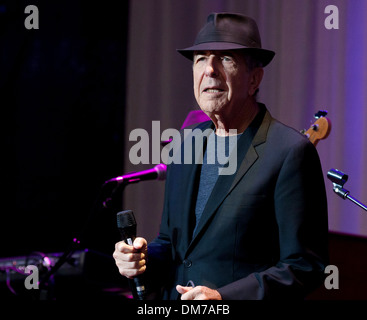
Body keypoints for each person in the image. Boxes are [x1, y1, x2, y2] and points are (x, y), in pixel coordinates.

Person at [113, 12, 329, 300]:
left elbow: (305, 266)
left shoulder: (290, 152)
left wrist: (225, 299)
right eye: (201, 58)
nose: (209, 70)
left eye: (226, 58)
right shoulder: (185, 145)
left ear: (254, 79)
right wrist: (141, 258)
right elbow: (172, 243)